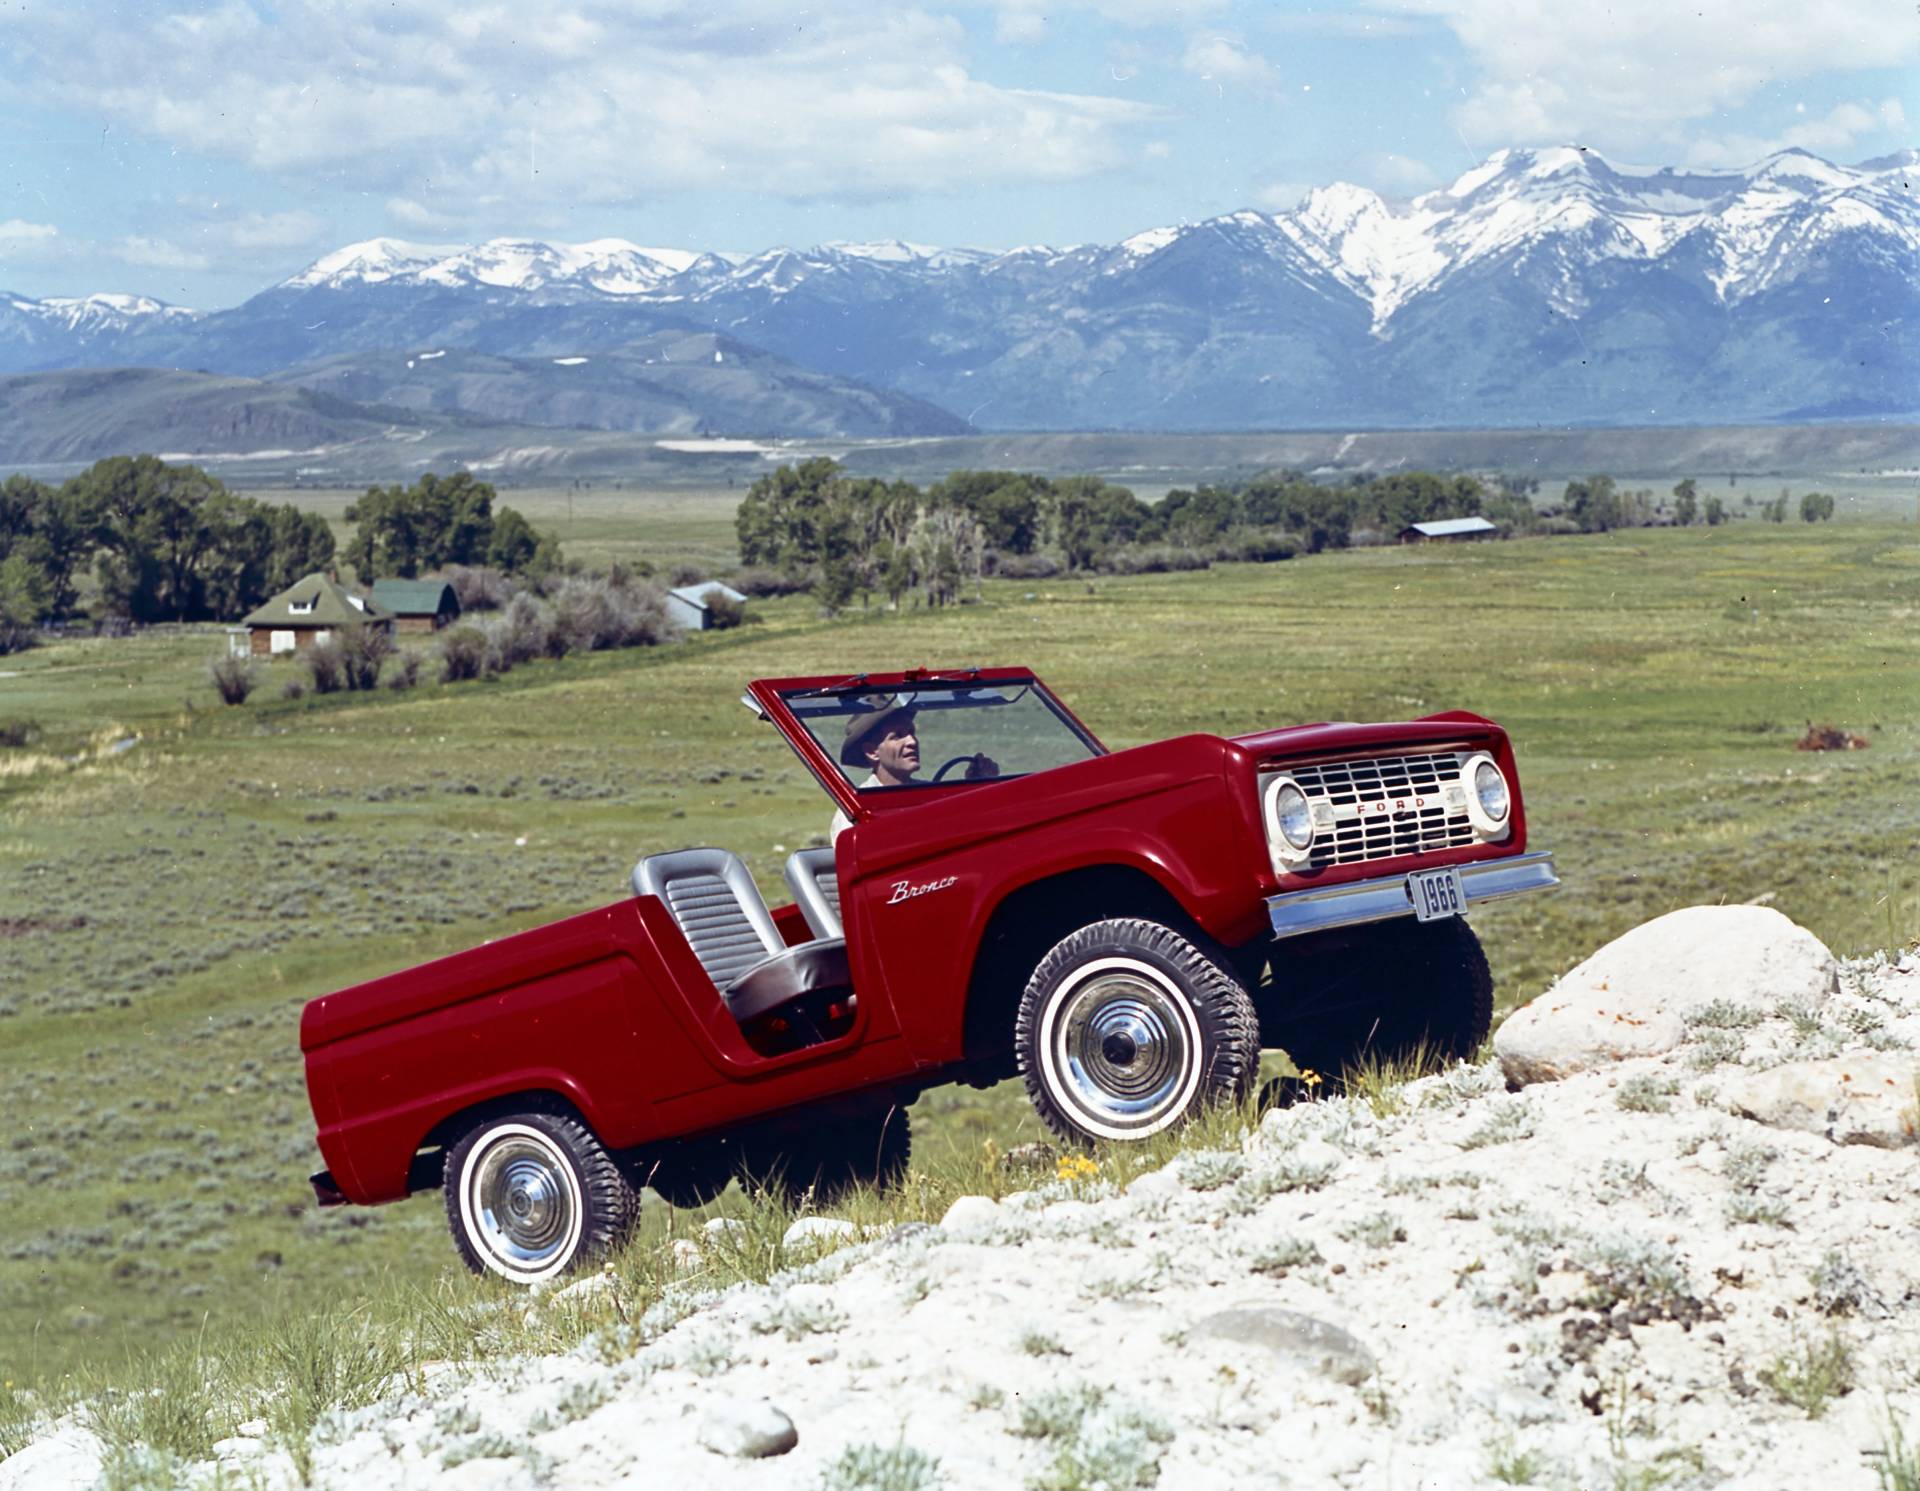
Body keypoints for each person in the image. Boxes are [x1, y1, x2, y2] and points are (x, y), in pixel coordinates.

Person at [829, 698, 996, 843]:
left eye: (911, 732)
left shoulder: (929, 794)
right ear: (872, 752)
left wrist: (980, 786)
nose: (911, 741)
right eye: (897, 736)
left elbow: (965, 832)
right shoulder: (856, 809)